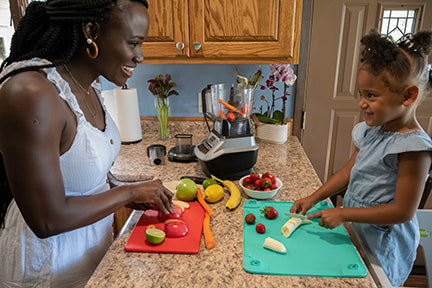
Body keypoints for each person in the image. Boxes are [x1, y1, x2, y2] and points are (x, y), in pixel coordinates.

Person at [0, 0, 175, 287]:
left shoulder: (87, 83)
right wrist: (129, 192)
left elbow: (87, 176)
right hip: (47, 267)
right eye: (133, 43)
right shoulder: (30, 93)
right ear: (92, 30)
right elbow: (47, 220)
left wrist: (126, 191)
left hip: (91, 254)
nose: (139, 57)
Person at [290, 29, 432, 286]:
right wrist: (314, 197)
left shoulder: (414, 148)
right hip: (358, 231)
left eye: (371, 95)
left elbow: (402, 211)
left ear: (408, 96)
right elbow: (348, 171)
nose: (361, 104)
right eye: (361, 94)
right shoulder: (373, 131)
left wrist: (344, 214)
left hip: (382, 245)